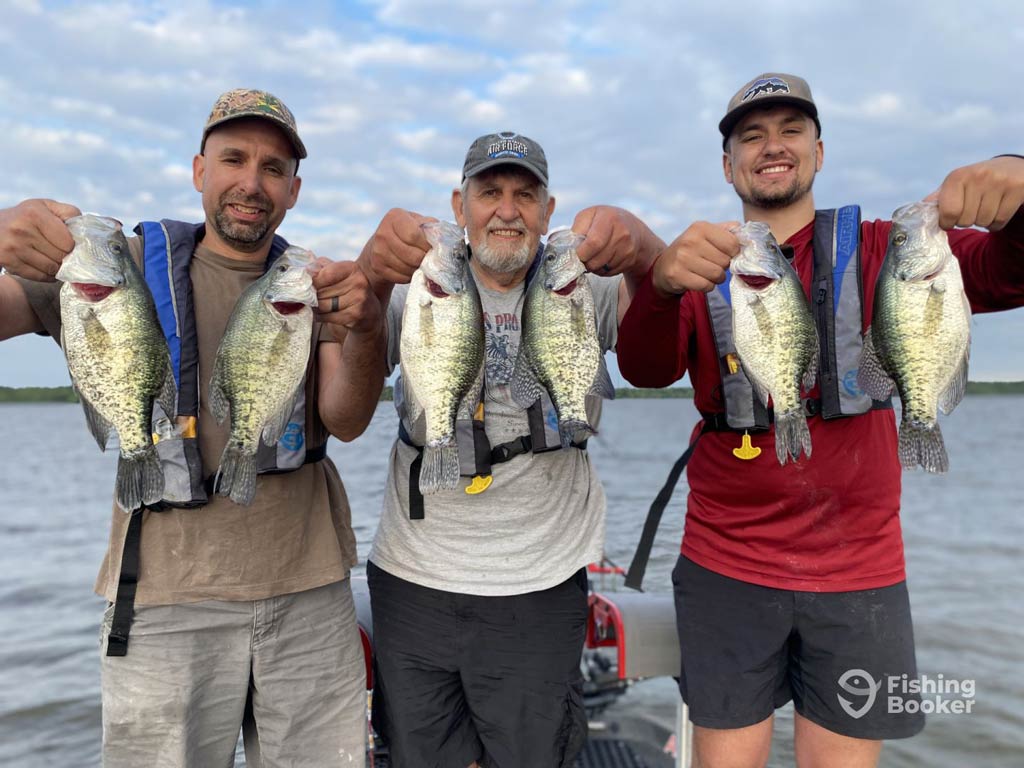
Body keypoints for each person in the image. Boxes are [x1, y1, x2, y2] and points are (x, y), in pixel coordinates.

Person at [616, 72, 1024, 767]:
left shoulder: (885, 249)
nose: (772, 146)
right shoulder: (706, 262)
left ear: (819, 152)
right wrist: (655, 286)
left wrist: (1016, 182)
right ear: (727, 165)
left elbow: (1009, 273)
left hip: (862, 570)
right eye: (751, 136)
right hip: (726, 565)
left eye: (790, 130)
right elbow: (646, 370)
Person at [0, 89, 384, 767]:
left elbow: (346, 421)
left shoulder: (312, 282)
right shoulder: (109, 266)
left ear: (293, 190)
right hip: (165, 599)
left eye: (273, 168)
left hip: (309, 589)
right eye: (233, 158)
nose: (251, 182)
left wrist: (367, 323)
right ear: (199, 169)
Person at [348, 131, 665, 767]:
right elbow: (348, 416)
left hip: (541, 582)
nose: (507, 208)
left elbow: (658, 352)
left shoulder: (587, 290)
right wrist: (367, 282)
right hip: (414, 582)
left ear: (549, 211)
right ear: (458, 204)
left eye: (526, 194)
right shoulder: (414, 292)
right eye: (489, 191)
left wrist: (645, 255)